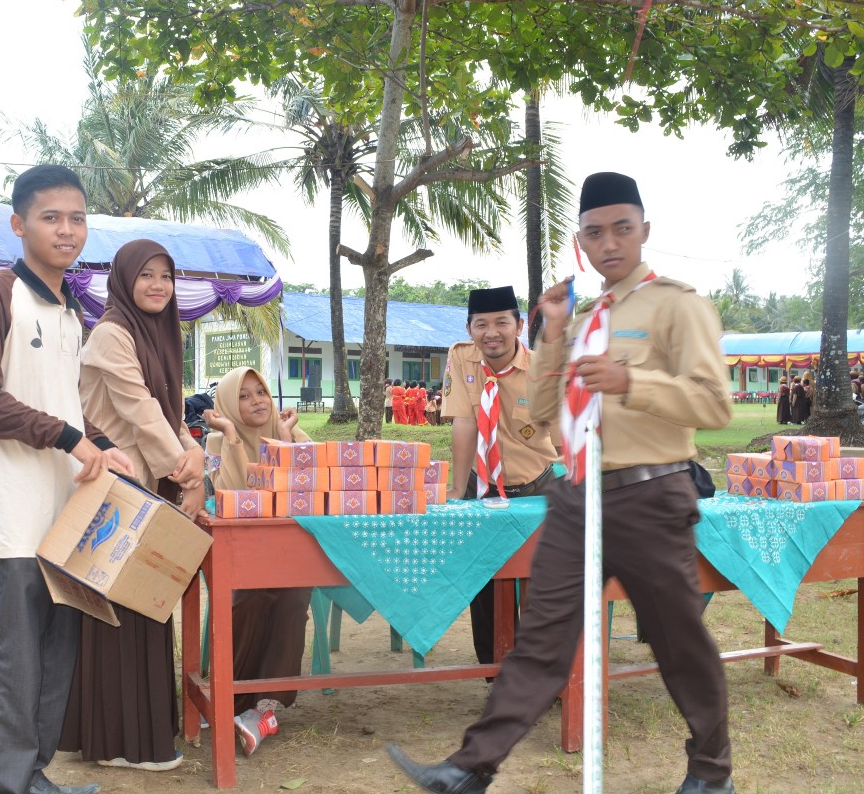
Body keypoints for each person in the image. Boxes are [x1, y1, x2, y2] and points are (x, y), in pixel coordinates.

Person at [388, 171, 736, 794]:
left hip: (650, 493)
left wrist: (633, 382)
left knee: (676, 639)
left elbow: (714, 406)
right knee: (541, 636)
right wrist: (551, 333)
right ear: (582, 239)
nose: (609, 244)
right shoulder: (585, 319)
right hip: (578, 494)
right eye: (595, 232)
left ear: (644, 232)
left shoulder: (677, 305)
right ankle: (470, 770)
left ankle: (711, 775)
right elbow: (546, 411)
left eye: (622, 229)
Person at [0, 165, 135, 794]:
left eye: (77, 217)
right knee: (13, 665)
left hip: (64, 518)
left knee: (53, 660)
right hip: (9, 517)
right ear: (18, 224)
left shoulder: (67, 311)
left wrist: (105, 446)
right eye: (50, 217)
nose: (67, 229)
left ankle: (33, 778)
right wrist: (69, 438)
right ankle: (10, 786)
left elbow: (65, 408)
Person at [57, 239, 206, 773]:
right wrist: (185, 467)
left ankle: (117, 735)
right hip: (120, 486)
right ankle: (124, 742)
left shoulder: (162, 334)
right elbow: (139, 411)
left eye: (166, 276)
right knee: (122, 612)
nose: (158, 285)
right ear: (123, 280)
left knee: (145, 606)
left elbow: (170, 410)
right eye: (146, 275)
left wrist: (194, 457)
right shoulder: (112, 334)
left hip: (146, 484)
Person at [441, 284, 559, 669]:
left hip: (537, 488)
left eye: (501, 323)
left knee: (546, 586)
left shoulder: (543, 370)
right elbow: (464, 421)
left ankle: (546, 674)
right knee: (486, 585)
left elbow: (564, 436)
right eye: (481, 324)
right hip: (485, 487)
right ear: (470, 329)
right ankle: (499, 675)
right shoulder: (462, 360)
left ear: (519, 326)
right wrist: (458, 491)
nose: (491, 333)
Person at [201, 366, 313, 756]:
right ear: (229, 405)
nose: (257, 402)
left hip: (292, 551)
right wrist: (232, 437)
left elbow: (308, 489)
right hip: (242, 554)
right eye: (243, 396)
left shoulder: (293, 435)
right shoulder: (216, 441)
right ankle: (231, 698)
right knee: (251, 598)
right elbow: (229, 494)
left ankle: (265, 706)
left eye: (260, 391)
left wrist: (283, 440)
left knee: (294, 598)